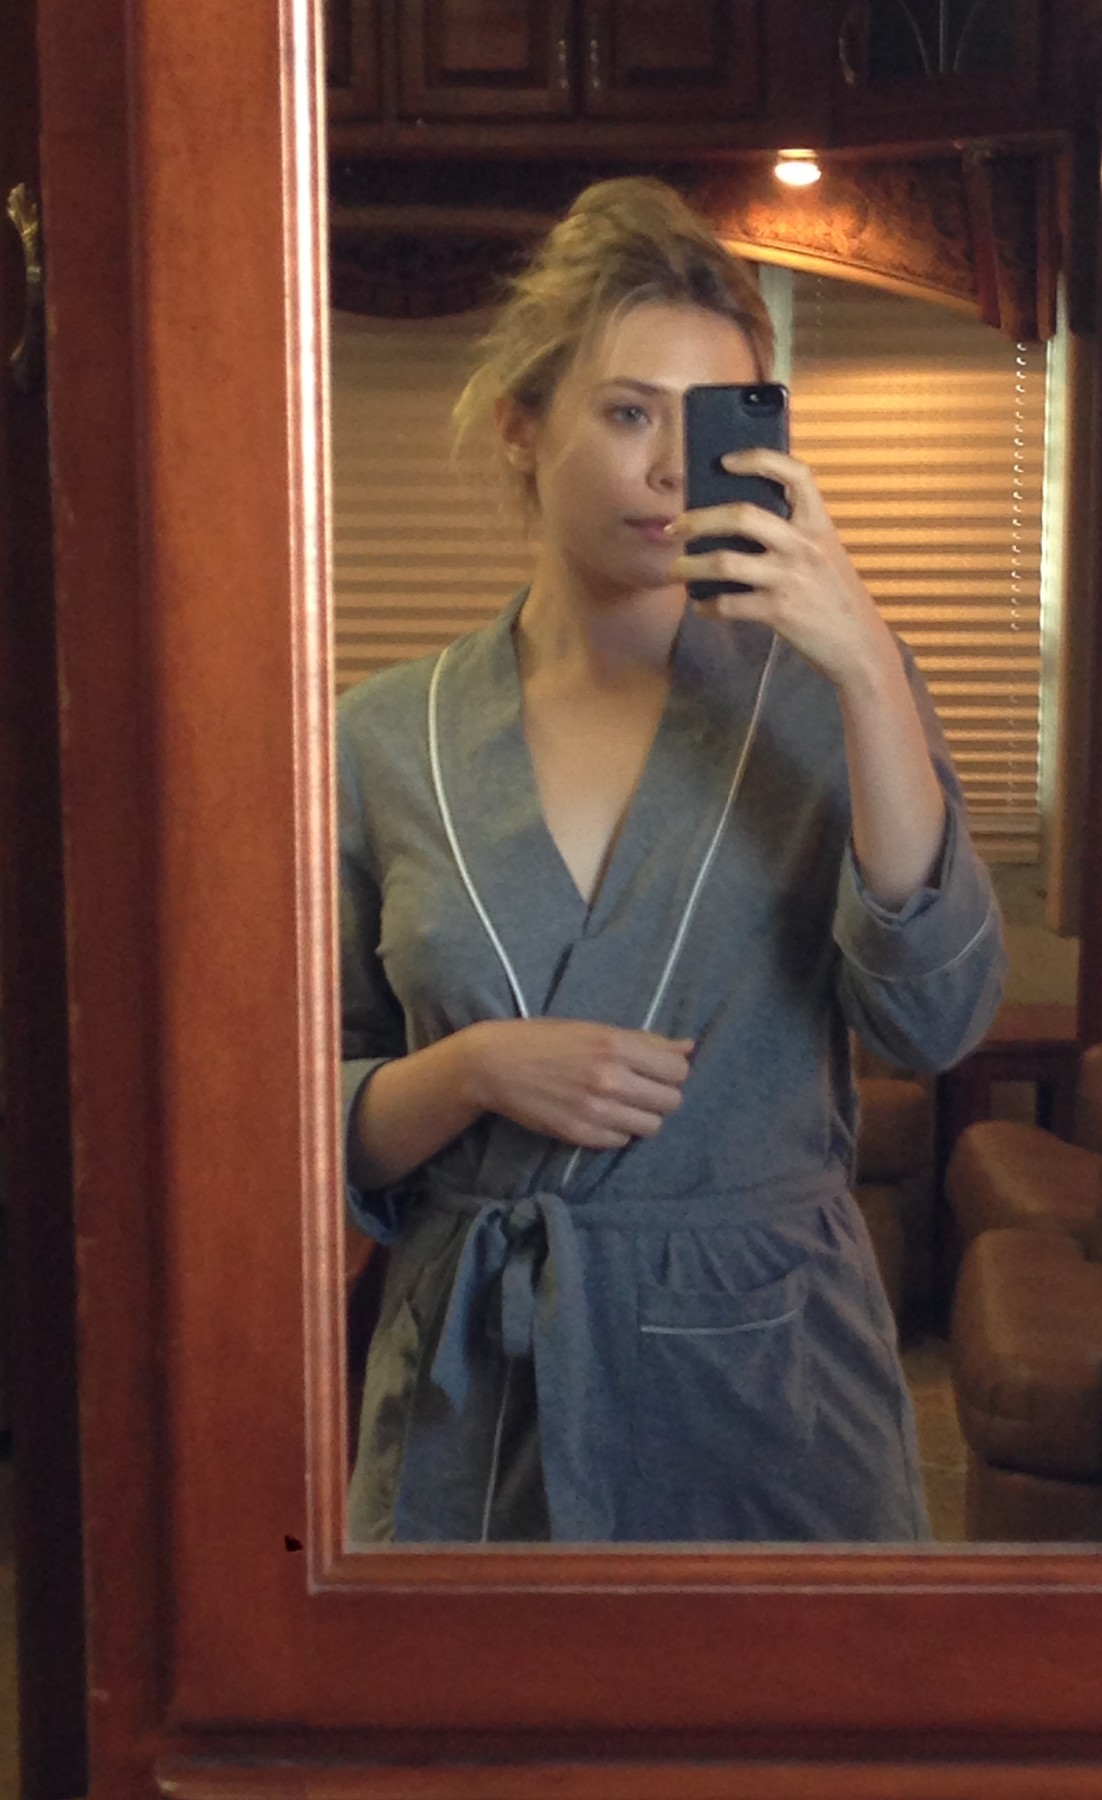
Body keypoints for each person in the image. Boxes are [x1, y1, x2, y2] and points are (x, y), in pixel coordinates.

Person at [340, 177, 1006, 1546]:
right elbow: (299, 1113)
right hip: (481, 1400)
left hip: (767, 1387)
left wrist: (868, 666)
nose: (666, 470)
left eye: (708, 423)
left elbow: (935, 1020)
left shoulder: (830, 698)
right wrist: (470, 1070)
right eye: (629, 412)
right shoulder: (385, 737)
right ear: (523, 428)